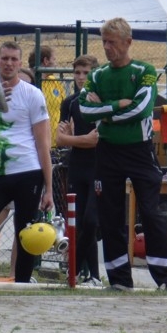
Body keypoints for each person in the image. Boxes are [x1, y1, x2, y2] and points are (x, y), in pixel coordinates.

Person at [78, 18, 167, 293]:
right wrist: (115, 105)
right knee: (110, 215)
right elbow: (84, 109)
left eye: (112, 42)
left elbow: (141, 109)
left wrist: (105, 112)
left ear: (128, 42)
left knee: (151, 212)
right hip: (107, 151)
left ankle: (165, 279)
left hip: (140, 150)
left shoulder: (144, 71)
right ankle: (120, 279)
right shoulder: (98, 75)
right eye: (104, 42)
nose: (107, 47)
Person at [0, 41, 53, 283]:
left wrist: (48, 189)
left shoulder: (32, 94)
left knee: (26, 231)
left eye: (14, 59)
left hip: (28, 170)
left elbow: (43, 143)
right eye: (5, 58)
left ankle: (21, 281)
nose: (9, 63)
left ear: (20, 64)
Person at [53, 55, 102, 283]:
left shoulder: (101, 100)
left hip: (99, 167)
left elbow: (98, 140)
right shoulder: (70, 103)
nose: (81, 78)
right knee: (79, 223)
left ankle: (81, 270)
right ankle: (85, 273)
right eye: (77, 73)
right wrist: (81, 140)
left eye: (86, 73)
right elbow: (60, 139)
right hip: (77, 166)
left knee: (92, 221)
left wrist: (75, 139)